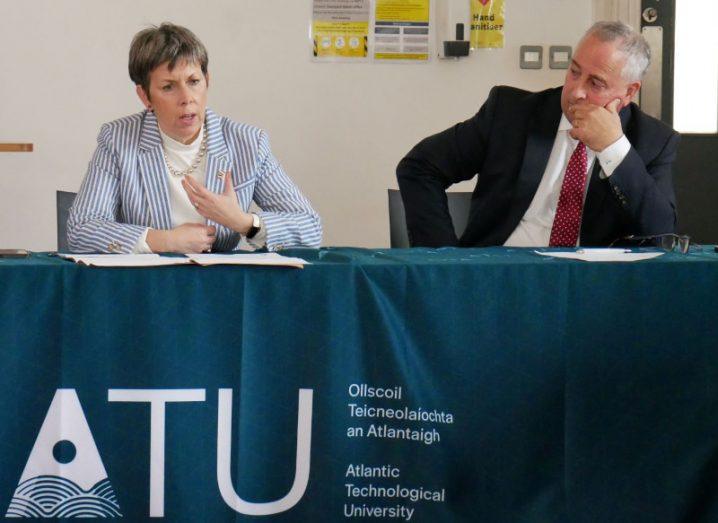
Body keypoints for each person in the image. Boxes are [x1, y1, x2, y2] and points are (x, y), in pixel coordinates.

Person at [396, 21, 679, 248]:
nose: (576, 91)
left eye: (596, 83)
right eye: (574, 72)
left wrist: (613, 148)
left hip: (590, 291)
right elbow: (420, 167)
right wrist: (443, 259)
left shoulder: (652, 141)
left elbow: (660, 231)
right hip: (502, 275)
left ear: (629, 92)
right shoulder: (510, 114)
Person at [68, 23, 321, 253]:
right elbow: (82, 229)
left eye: (194, 81)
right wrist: (165, 241)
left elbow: (310, 228)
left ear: (207, 81)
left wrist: (242, 222)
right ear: (145, 97)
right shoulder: (118, 140)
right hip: (148, 287)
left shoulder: (247, 143)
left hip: (221, 288)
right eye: (168, 87)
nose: (187, 98)